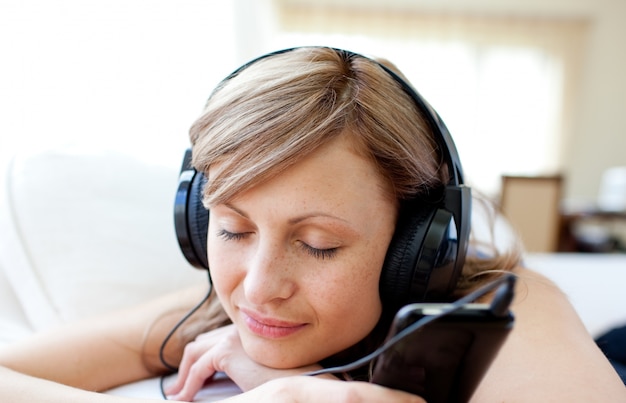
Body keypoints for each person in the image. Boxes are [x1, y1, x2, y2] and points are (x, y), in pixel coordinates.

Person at [0, 46, 624, 403]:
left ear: (416, 245)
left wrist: (321, 393)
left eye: (319, 245)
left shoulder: (504, 308)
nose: (259, 286)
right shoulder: (214, 313)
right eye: (234, 231)